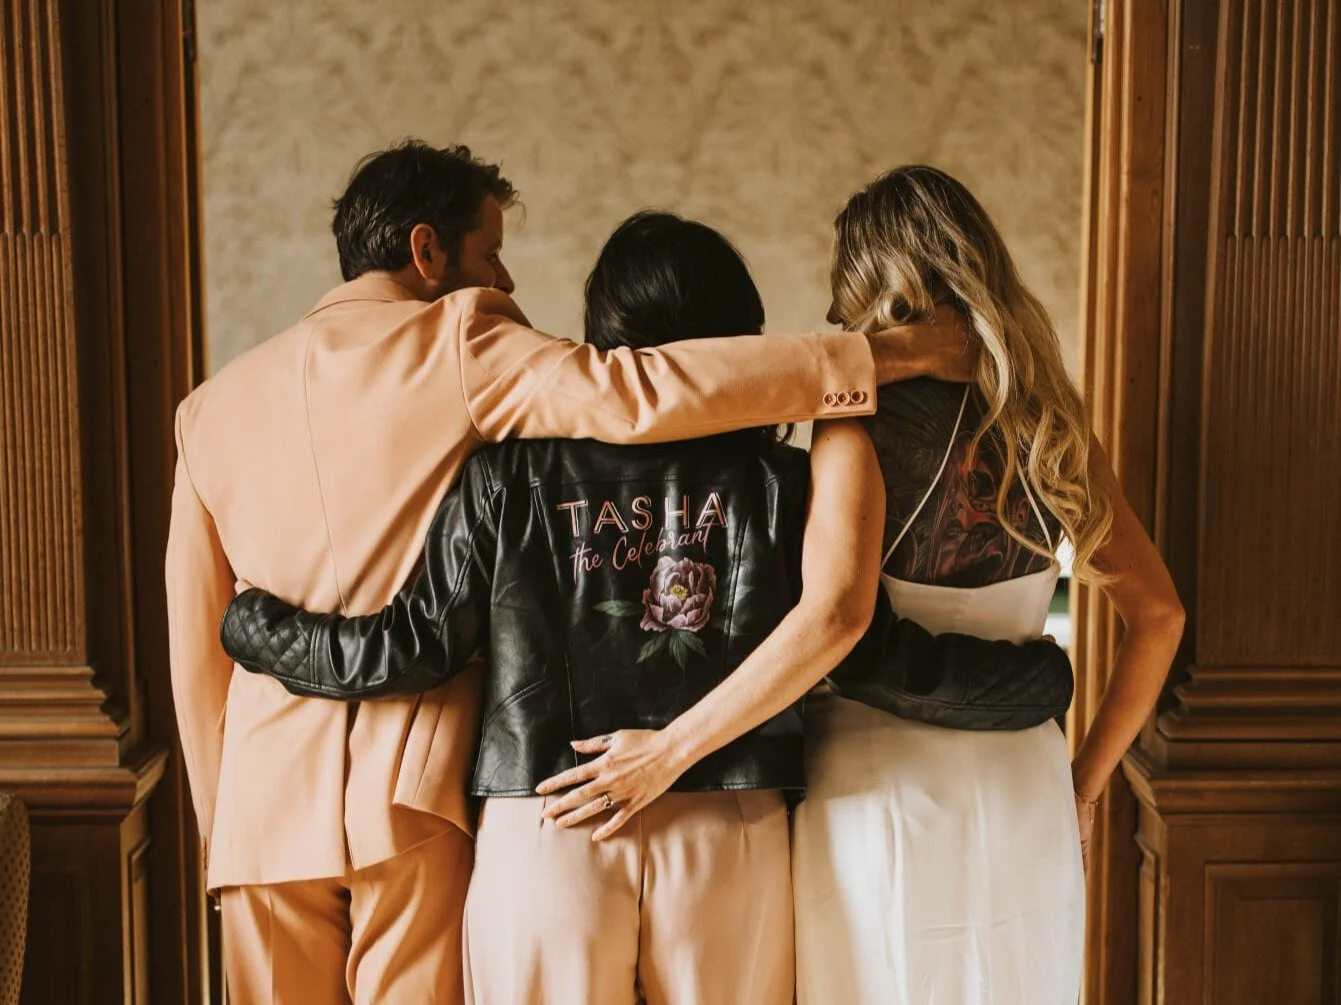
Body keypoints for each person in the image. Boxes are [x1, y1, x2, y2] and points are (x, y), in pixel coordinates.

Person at [165, 142, 979, 1005]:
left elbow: (194, 650)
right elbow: (639, 393)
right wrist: (883, 356)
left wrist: (224, 827)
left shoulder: (207, 411)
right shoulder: (466, 342)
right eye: (490, 254)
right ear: (426, 251)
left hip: (281, 812)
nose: (506, 280)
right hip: (415, 799)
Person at [539, 166, 1186, 1004]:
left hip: (879, 778)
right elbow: (1159, 616)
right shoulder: (1051, 424)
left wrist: (667, 749)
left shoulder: (857, 421)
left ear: (870, 278)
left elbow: (835, 619)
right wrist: (1084, 787)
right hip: (1025, 776)